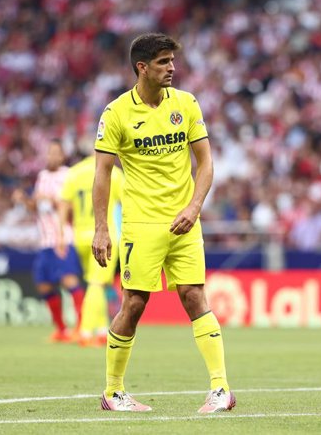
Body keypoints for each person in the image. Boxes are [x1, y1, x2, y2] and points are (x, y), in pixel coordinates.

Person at [92, 33, 234, 413]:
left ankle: (220, 388)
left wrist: (194, 206)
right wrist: (102, 227)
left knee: (194, 296)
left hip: (185, 222)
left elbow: (205, 163)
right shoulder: (116, 113)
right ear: (142, 67)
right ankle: (113, 390)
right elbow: (102, 173)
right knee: (134, 303)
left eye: (172, 61)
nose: (172, 68)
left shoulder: (186, 104)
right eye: (163, 62)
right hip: (142, 224)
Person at [14, 140, 85, 343]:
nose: (52, 156)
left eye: (56, 152)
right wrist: (26, 201)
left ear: (63, 156)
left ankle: (80, 328)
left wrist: (52, 199)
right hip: (44, 241)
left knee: (69, 280)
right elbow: (37, 208)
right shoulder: (42, 177)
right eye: (49, 152)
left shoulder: (68, 175)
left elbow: (72, 207)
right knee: (43, 285)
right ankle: (62, 330)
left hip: (62, 238)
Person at [58, 154, 124, 347]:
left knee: (96, 284)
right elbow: (127, 202)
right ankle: (86, 332)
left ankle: (103, 331)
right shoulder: (114, 172)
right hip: (105, 236)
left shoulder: (74, 173)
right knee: (98, 283)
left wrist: (62, 233)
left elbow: (63, 204)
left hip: (81, 237)